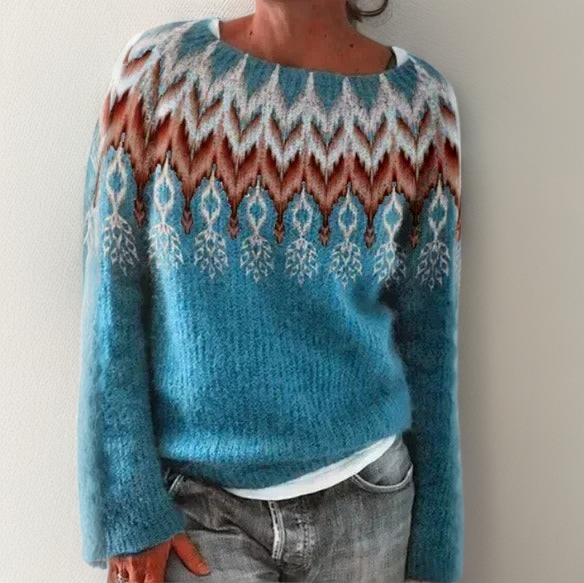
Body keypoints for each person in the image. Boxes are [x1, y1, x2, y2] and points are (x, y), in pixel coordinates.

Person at [77, 2, 464, 582]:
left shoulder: (420, 106)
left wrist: (435, 556)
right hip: (198, 508)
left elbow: (430, 343)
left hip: (369, 501)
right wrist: (127, 514)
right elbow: (110, 305)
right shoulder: (157, 73)